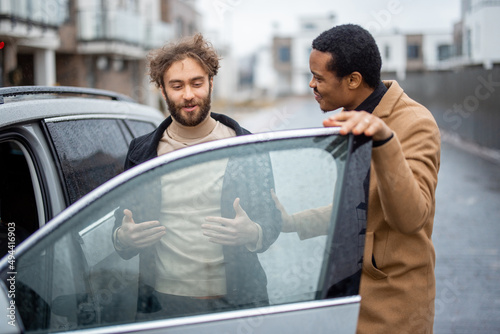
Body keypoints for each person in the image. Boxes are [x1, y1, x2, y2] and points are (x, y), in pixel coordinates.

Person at [274, 24, 441, 333]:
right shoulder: (352, 117)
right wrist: (292, 222)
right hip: (343, 293)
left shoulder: (416, 124)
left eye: (319, 78)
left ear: (353, 80)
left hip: (392, 306)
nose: (312, 84)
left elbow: (411, 218)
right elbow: (359, 210)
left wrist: (385, 140)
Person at [111, 33, 281, 319]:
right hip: (162, 306)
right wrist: (123, 237)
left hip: (236, 304)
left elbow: (271, 221)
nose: (188, 94)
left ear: (211, 83)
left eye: (196, 83)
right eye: (176, 86)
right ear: (162, 91)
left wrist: (253, 232)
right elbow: (121, 225)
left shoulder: (245, 145)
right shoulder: (141, 151)